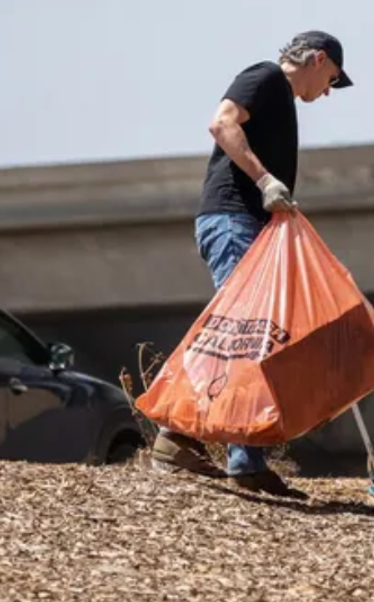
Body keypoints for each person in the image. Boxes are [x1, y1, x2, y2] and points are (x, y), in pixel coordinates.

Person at [150, 30, 352, 498]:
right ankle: (238, 460)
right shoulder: (264, 77)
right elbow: (222, 124)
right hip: (231, 219)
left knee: (239, 336)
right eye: (330, 80)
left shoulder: (279, 96)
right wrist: (265, 182)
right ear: (318, 58)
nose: (325, 94)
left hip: (245, 224)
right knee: (248, 337)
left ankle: (180, 438)